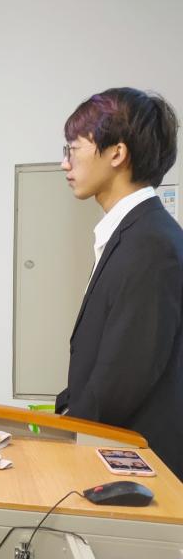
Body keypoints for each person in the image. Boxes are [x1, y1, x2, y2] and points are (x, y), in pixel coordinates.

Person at [55, 88, 183, 479]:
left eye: (73, 148)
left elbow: (122, 377)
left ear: (117, 153)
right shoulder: (135, 232)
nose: (64, 163)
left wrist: (66, 432)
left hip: (139, 467)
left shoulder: (151, 243)